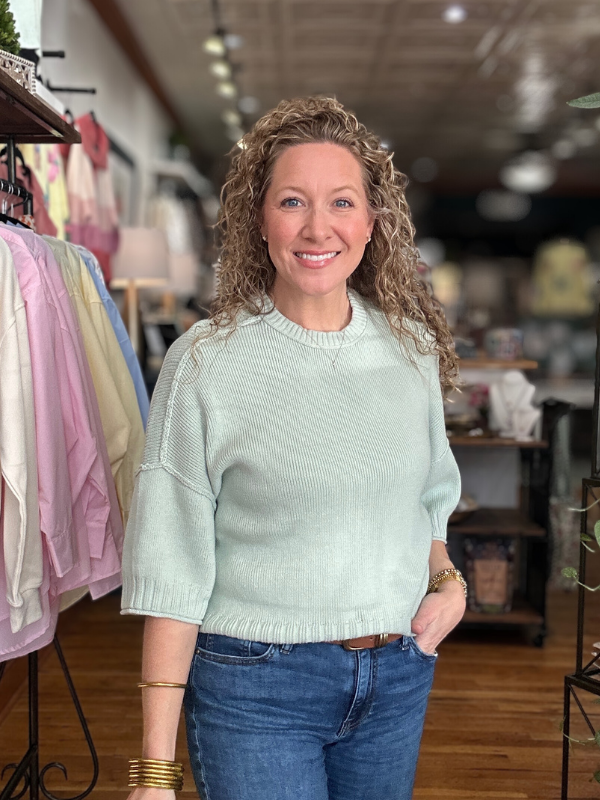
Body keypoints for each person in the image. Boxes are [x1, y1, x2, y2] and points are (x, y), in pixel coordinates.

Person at [121, 96, 465, 800]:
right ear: (259, 219)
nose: (317, 227)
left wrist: (449, 583)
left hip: (397, 676)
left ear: (373, 222)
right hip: (255, 688)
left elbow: (429, 497)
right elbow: (170, 568)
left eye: (341, 202)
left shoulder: (412, 350)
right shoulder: (204, 363)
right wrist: (154, 773)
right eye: (291, 201)